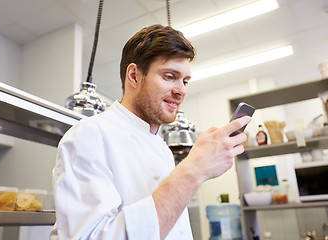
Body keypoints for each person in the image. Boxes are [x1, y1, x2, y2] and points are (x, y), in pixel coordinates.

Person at [50, 24, 250, 240]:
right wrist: (194, 170)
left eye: (185, 81)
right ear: (134, 76)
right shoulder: (89, 135)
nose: (181, 90)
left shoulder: (162, 148)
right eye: (169, 76)